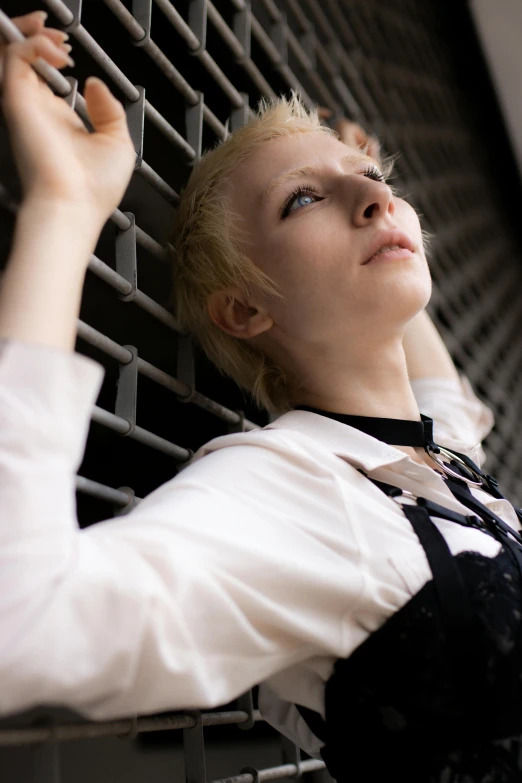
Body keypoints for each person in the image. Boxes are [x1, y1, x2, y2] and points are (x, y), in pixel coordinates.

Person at [1, 11, 521, 783]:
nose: (374, 197)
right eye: (301, 200)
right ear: (245, 309)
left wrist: (352, 186)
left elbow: (443, 396)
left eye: (379, 183)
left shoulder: (440, 461)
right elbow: (21, 623)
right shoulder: (292, 484)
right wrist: (66, 206)